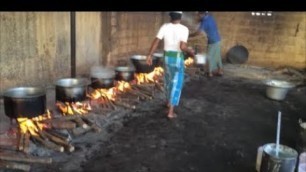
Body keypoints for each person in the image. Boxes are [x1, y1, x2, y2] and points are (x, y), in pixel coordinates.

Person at [146, 11, 194, 119]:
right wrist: (190, 51)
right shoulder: (184, 29)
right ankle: (170, 112)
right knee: (176, 83)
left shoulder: (165, 26)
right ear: (180, 17)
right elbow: (182, 47)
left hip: (166, 57)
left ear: (170, 16)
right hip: (177, 58)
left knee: (168, 80)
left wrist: (149, 55)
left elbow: (156, 41)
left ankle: (168, 102)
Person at [189, 11, 223, 78]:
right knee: (218, 56)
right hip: (218, 39)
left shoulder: (204, 22)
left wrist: (190, 35)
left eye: (199, 15)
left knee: (209, 57)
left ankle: (210, 73)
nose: (198, 16)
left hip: (213, 41)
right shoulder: (210, 18)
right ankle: (220, 71)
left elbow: (198, 32)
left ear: (202, 14)